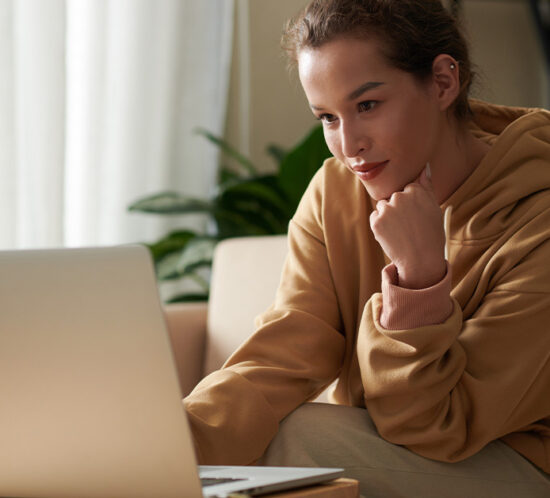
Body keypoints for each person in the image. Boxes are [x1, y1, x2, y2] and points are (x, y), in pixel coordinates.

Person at [184, 1, 550, 495]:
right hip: (393, 441)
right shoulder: (337, 189)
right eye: (328, 118)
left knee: (299, 441)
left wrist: (418, 276)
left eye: (368, 106)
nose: (349, 144)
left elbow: (438, 423)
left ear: (443, 82)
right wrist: (176, 441)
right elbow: (288, 352)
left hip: (518, 462)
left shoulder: (539, 219)